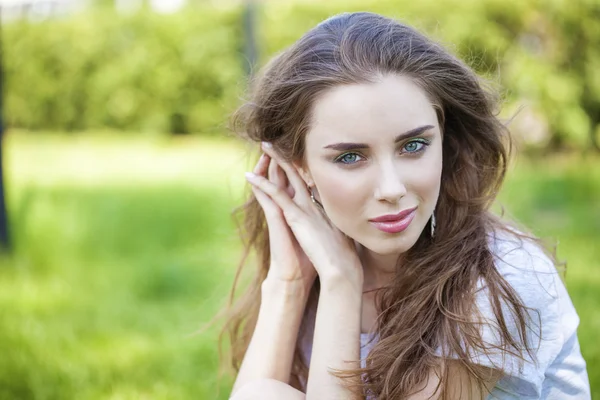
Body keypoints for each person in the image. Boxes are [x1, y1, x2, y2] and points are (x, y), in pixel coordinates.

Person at [221, 12, 590, 399]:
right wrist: (289, 282)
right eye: (350, 157)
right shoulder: (321, 267)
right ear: (300, 168)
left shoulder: (500, 276)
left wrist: (342, 286)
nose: (392, 188)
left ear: (442, 136)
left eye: (413, 146)